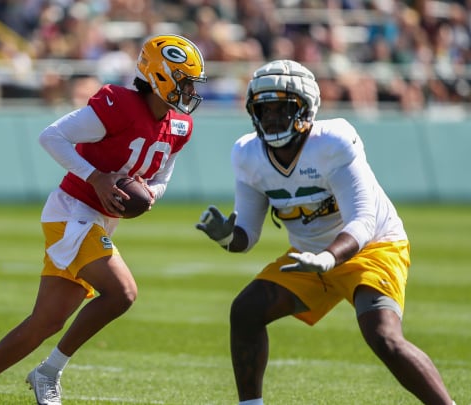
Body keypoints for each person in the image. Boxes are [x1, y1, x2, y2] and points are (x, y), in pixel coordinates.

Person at [0, 34, 207, 405]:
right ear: (161, 76)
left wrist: (150, 195)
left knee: (46, 322)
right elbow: (52, 137)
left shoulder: (179, 125)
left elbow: (162, 177)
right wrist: (95, 176)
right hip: (71, 213)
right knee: (122, 293)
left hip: (97, 222)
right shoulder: (120, 105)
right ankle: (49, 371)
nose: (191, 90)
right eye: (186, 81)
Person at [195, 59, 455, 405]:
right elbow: (248, 234)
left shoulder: (332, 142)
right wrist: (227, 236)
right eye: (264, 109)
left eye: (281, 108)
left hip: (371, 248)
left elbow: (363, 220)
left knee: (383, 337)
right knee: (245, 311)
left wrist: (329, 257)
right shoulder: (247, 154)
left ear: (305, 109)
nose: (271, 117)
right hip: (308, 256)